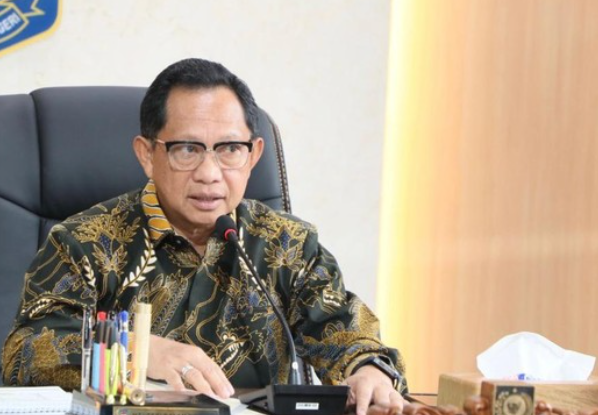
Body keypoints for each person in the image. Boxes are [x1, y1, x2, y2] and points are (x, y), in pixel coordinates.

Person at [2, 58, 407, 415]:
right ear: (147, 154)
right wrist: (135, 351)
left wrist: (368, 371)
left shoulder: (288, 245)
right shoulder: (84, 242)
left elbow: (343, 330)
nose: (210, 174)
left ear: (254, 154)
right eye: (187, 149)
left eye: (229, 149)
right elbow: (24, 352)